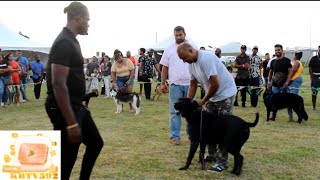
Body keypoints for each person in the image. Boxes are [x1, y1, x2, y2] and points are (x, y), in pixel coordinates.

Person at [44, 2, 103, 180]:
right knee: (66, 161)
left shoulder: (72, 40)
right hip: (64, 107)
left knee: (95, 143)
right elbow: (58, 84)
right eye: (87, 20)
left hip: (76, 105)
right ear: (78, 18)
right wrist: (71, 122)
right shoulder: (64, 42)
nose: (89, 24)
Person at [177, 42, 237, 173]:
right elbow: (193, 84)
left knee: (222, 130)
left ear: (191, 51)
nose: (183, 61)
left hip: (226, 94)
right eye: (181, 59)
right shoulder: (191, 64)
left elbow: (215, 84)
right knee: (207, 128)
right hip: (212, 96)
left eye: (184, 58)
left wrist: (203, 100)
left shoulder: (206, 59)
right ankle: (212, 155)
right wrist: (188, 102)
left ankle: (222, 162)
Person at [160, 26, 197, 145]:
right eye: (176, 35)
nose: (178, 37)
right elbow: (165, 67)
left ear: (185, 34)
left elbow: (197, 64)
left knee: (192, 111)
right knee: (174, 111)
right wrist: (162, 83)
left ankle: (192, 136)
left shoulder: (193, 47)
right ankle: (175, 137)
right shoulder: (169, 49)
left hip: (190, 84)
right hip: (175, 84)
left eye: (180, 35)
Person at [287, 51, 304, 121]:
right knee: (292, 99)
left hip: (294, 80)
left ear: (295, 56)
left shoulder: (296, 62)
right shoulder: (300, 63)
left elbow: (293, 71)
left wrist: (289, 79)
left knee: (292, 100)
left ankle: (296, 116)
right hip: (298, 79)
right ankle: (292, 116)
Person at [308, 45, 320, 111]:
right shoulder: (313, 58)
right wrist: (312, 78)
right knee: (314, 93)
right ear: (318, 50)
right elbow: (310, 68)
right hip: (315, 78)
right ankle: (314, 107)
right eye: (319, 50)